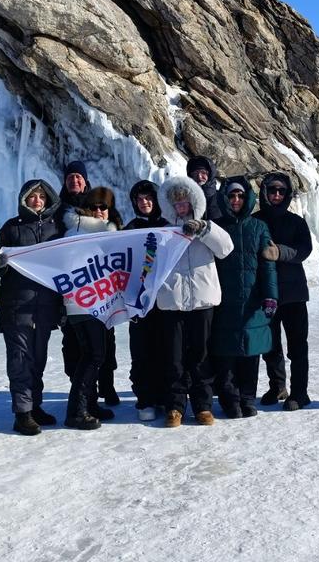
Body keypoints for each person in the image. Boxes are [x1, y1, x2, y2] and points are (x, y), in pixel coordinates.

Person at [155, 175, 234, 427]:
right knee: (174, 357)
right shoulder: (163, 231)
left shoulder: (207, 226)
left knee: (201, 355)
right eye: (176, 203)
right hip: (173, 301)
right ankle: (175, 406)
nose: (181, 207)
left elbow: (226, 248)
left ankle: (203, 406)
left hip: (202, 301)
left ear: (193, 203)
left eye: (184, 202)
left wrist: (203, 229)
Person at [0, 178, 65, 436]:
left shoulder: (56, 230)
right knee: (20, 360)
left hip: (44, 306)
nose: (37, 201)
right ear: (24, 199)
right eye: (32, 196)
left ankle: (35, 406)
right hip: (17, 305)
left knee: (38, 359)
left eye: (42, 197)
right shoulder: (12, 228)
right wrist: (0, 264)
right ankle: (22, 413)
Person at [211, 177, 279, 418]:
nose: (236, 200)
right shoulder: (216, 227)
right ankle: (230, 401)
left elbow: (268, 265)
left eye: (240, 195)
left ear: (247, 197)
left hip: (253, 301)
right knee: (226, 355)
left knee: (251, 354)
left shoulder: (259, 227)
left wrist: (271, 296)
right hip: (224, 302)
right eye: (231, 195)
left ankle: (248, 399)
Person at [58, 161, 122, 406]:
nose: (74, 181)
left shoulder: (98, 205)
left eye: (79, 177)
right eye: (70, 177)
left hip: (103, 291)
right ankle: (85, 396)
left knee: (105, 341)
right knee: (74, 344)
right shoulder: (59, 209)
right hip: (75, 291)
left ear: (85, 181)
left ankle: (106, 384)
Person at [256, 172, 314, 411]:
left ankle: (300, 392)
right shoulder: (255, 221)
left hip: (293, 294)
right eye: (272, 190)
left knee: (297, 346)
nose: (277, 195)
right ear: (265, 193)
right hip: (265, 294)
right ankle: (277, 386)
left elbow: (304, 250)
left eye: (281, 191)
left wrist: (280, 252)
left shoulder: (296, 222)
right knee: (270, 346)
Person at [124, 180, 168, 421]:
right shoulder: (130, 229)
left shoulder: (168, 227)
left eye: (148, 198)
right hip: (139, 302)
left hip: (165, 300)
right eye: (139, 199)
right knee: (141, 352)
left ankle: (164, 396)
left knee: (166, 350)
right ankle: (145, 399)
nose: (144, 202)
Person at [187, 155, 227, 222]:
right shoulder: (183, 195)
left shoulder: (219, 200)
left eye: (203, 173)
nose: (199, 177)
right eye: (195, 173)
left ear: (210, 174)